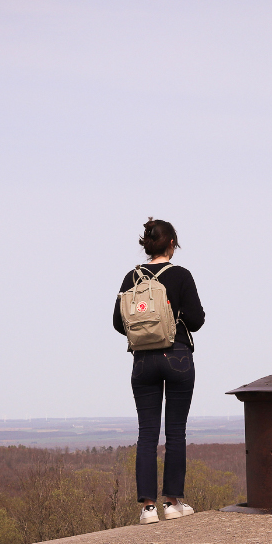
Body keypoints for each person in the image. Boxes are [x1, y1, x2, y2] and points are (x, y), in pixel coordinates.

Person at [113, 218, 205, 524]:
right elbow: (196, 320)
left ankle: (148, 508)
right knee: (175, 431)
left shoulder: (131, 277)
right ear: (171, 244)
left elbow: (118, 323)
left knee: (147, 434)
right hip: (177, 355)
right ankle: (173, 502)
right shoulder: (180, 275)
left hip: (142, 361)